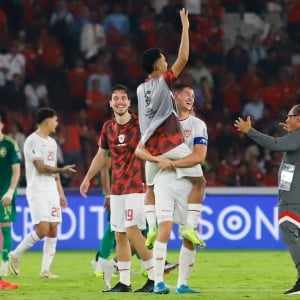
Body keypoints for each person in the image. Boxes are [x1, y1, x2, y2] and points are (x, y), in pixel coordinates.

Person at [137, 8, 205, 249]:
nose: (167, 62)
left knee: (151, 187)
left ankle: (152, 227)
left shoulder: (140, 89)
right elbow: (184, 58)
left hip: (150, 150)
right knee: (200, 182)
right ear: (158, 65)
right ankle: (189, 225)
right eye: (164, 59)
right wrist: (185, 29)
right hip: (170, 145)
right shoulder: (162, 82)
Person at [80, 84, 154, 293]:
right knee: (120, 234)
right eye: (116, 98)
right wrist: (88, 178)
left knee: (132, 230)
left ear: (129, 103)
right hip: (117, 189)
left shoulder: (141, 124)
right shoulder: (107, 127)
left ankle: (155, 279)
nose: (120, 101)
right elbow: (101, 155)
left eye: (124, 98)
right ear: (110, 103)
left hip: (138, 186)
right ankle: (124, 283)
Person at [135, 84, 208, 294]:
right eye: (187, 94)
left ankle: (182, 285)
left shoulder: (198, 125)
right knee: (164, 230)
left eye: (193, 95)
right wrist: (159, 160)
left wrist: (172, 162)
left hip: (187, 180)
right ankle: (158, 282)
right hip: (164, 180)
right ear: (175, 97)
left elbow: (199, 157)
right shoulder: (161, 122)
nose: (191, 98)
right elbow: (140, 150)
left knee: (188, 236)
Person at [234, 104, 300, 295]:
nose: (285, 120)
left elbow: (275, 144)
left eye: (289, 116)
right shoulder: (295, 138)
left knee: (289, 231)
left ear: (298, 119)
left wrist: (250, 131)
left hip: (293, 199)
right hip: (292, 196)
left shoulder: (297, 137)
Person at [8, 108, 76, 278]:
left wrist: (61, 194)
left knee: (54, 229)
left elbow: (54, 172)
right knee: (43, 229)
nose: (57, 123)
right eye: (55, 120)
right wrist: (61, 168)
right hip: (37, 189)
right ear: (47, 121)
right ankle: (15, 255)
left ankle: (45, 270)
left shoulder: (52, 142)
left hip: (52, 190)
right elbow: (40, 167)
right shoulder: (32, 141)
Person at [0, 114, 21, 278]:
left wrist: (10, 191)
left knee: (6, 228)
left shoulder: (9, 144)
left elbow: (16, 171)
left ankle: (5, 264)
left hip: (4, 195)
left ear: (1, 125)